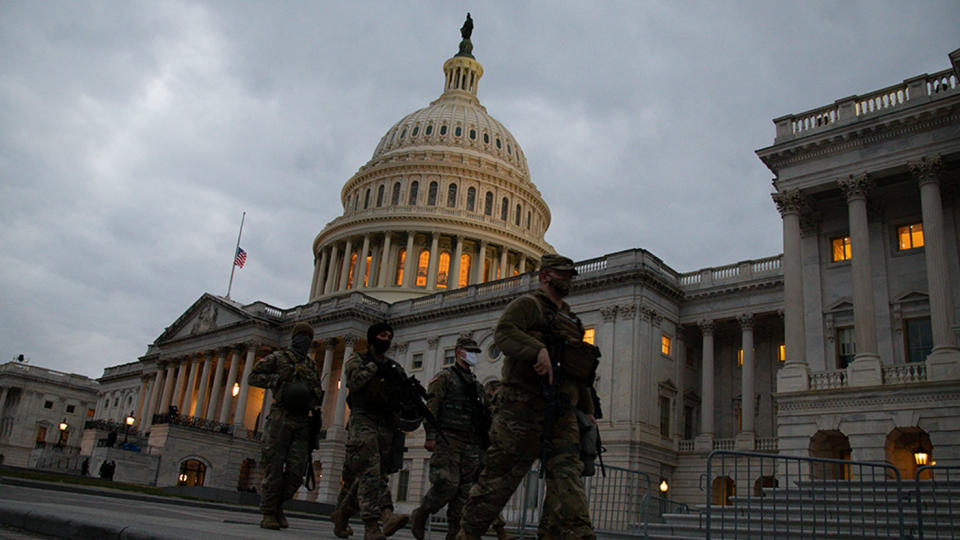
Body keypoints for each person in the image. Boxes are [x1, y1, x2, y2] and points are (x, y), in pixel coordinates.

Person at [458, 254, 598, 539]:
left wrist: (588, 410)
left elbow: (578, 372)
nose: (569, 280)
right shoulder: (527, 305)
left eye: (571, 275)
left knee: (568, 483)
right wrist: (537, 349)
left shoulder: (572, 320)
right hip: (522, 410)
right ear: (546, 275)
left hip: (562, 413)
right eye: (563, 274)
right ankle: (467, 534)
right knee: (497, 484)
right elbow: (504, 335)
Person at [411, 337, 511, 540]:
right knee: (447, 484)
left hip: (471, 443)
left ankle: (454, 534)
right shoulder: (445, 378)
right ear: (458, 352)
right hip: (448, 439)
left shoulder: (475, 385)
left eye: (475, 352)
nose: (473, 355)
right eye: (469, 351)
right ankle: (421, 513)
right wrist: (430, 436)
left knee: (464, 493)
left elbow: (487, 412)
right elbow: (432, 408)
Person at [331, 322, 410, 540]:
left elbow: (403, 396)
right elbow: (354, 382)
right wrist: (376, 367)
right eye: (382, 335)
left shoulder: (394, 367)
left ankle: (341, 515)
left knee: (374, 476)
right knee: (370, 472)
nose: (386, 339)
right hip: (362, 420)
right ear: (373, 337)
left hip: (385, 424)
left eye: (389, 336)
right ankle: (376, 523)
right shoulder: (357, 360)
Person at [248, 322, 324, 530]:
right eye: (302, 336)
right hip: (281, 417)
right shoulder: (277, 358)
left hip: (302, 421)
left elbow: (317, 389)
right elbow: (252, 377)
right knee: (274, 466)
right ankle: (269, 513)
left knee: (296, 471)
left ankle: (278, 505)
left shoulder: (310, 365)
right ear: (294, 338)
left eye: (308, 337)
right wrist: (275, 380)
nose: (305, 341)